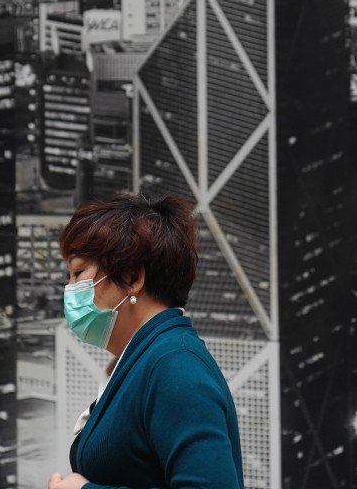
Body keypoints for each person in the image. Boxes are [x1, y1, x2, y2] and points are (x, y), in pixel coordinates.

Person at [48, 192, 244, 489]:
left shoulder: (176, 366)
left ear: (131, 278)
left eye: (78, 273)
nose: (69, 289)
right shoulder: (146, 362)